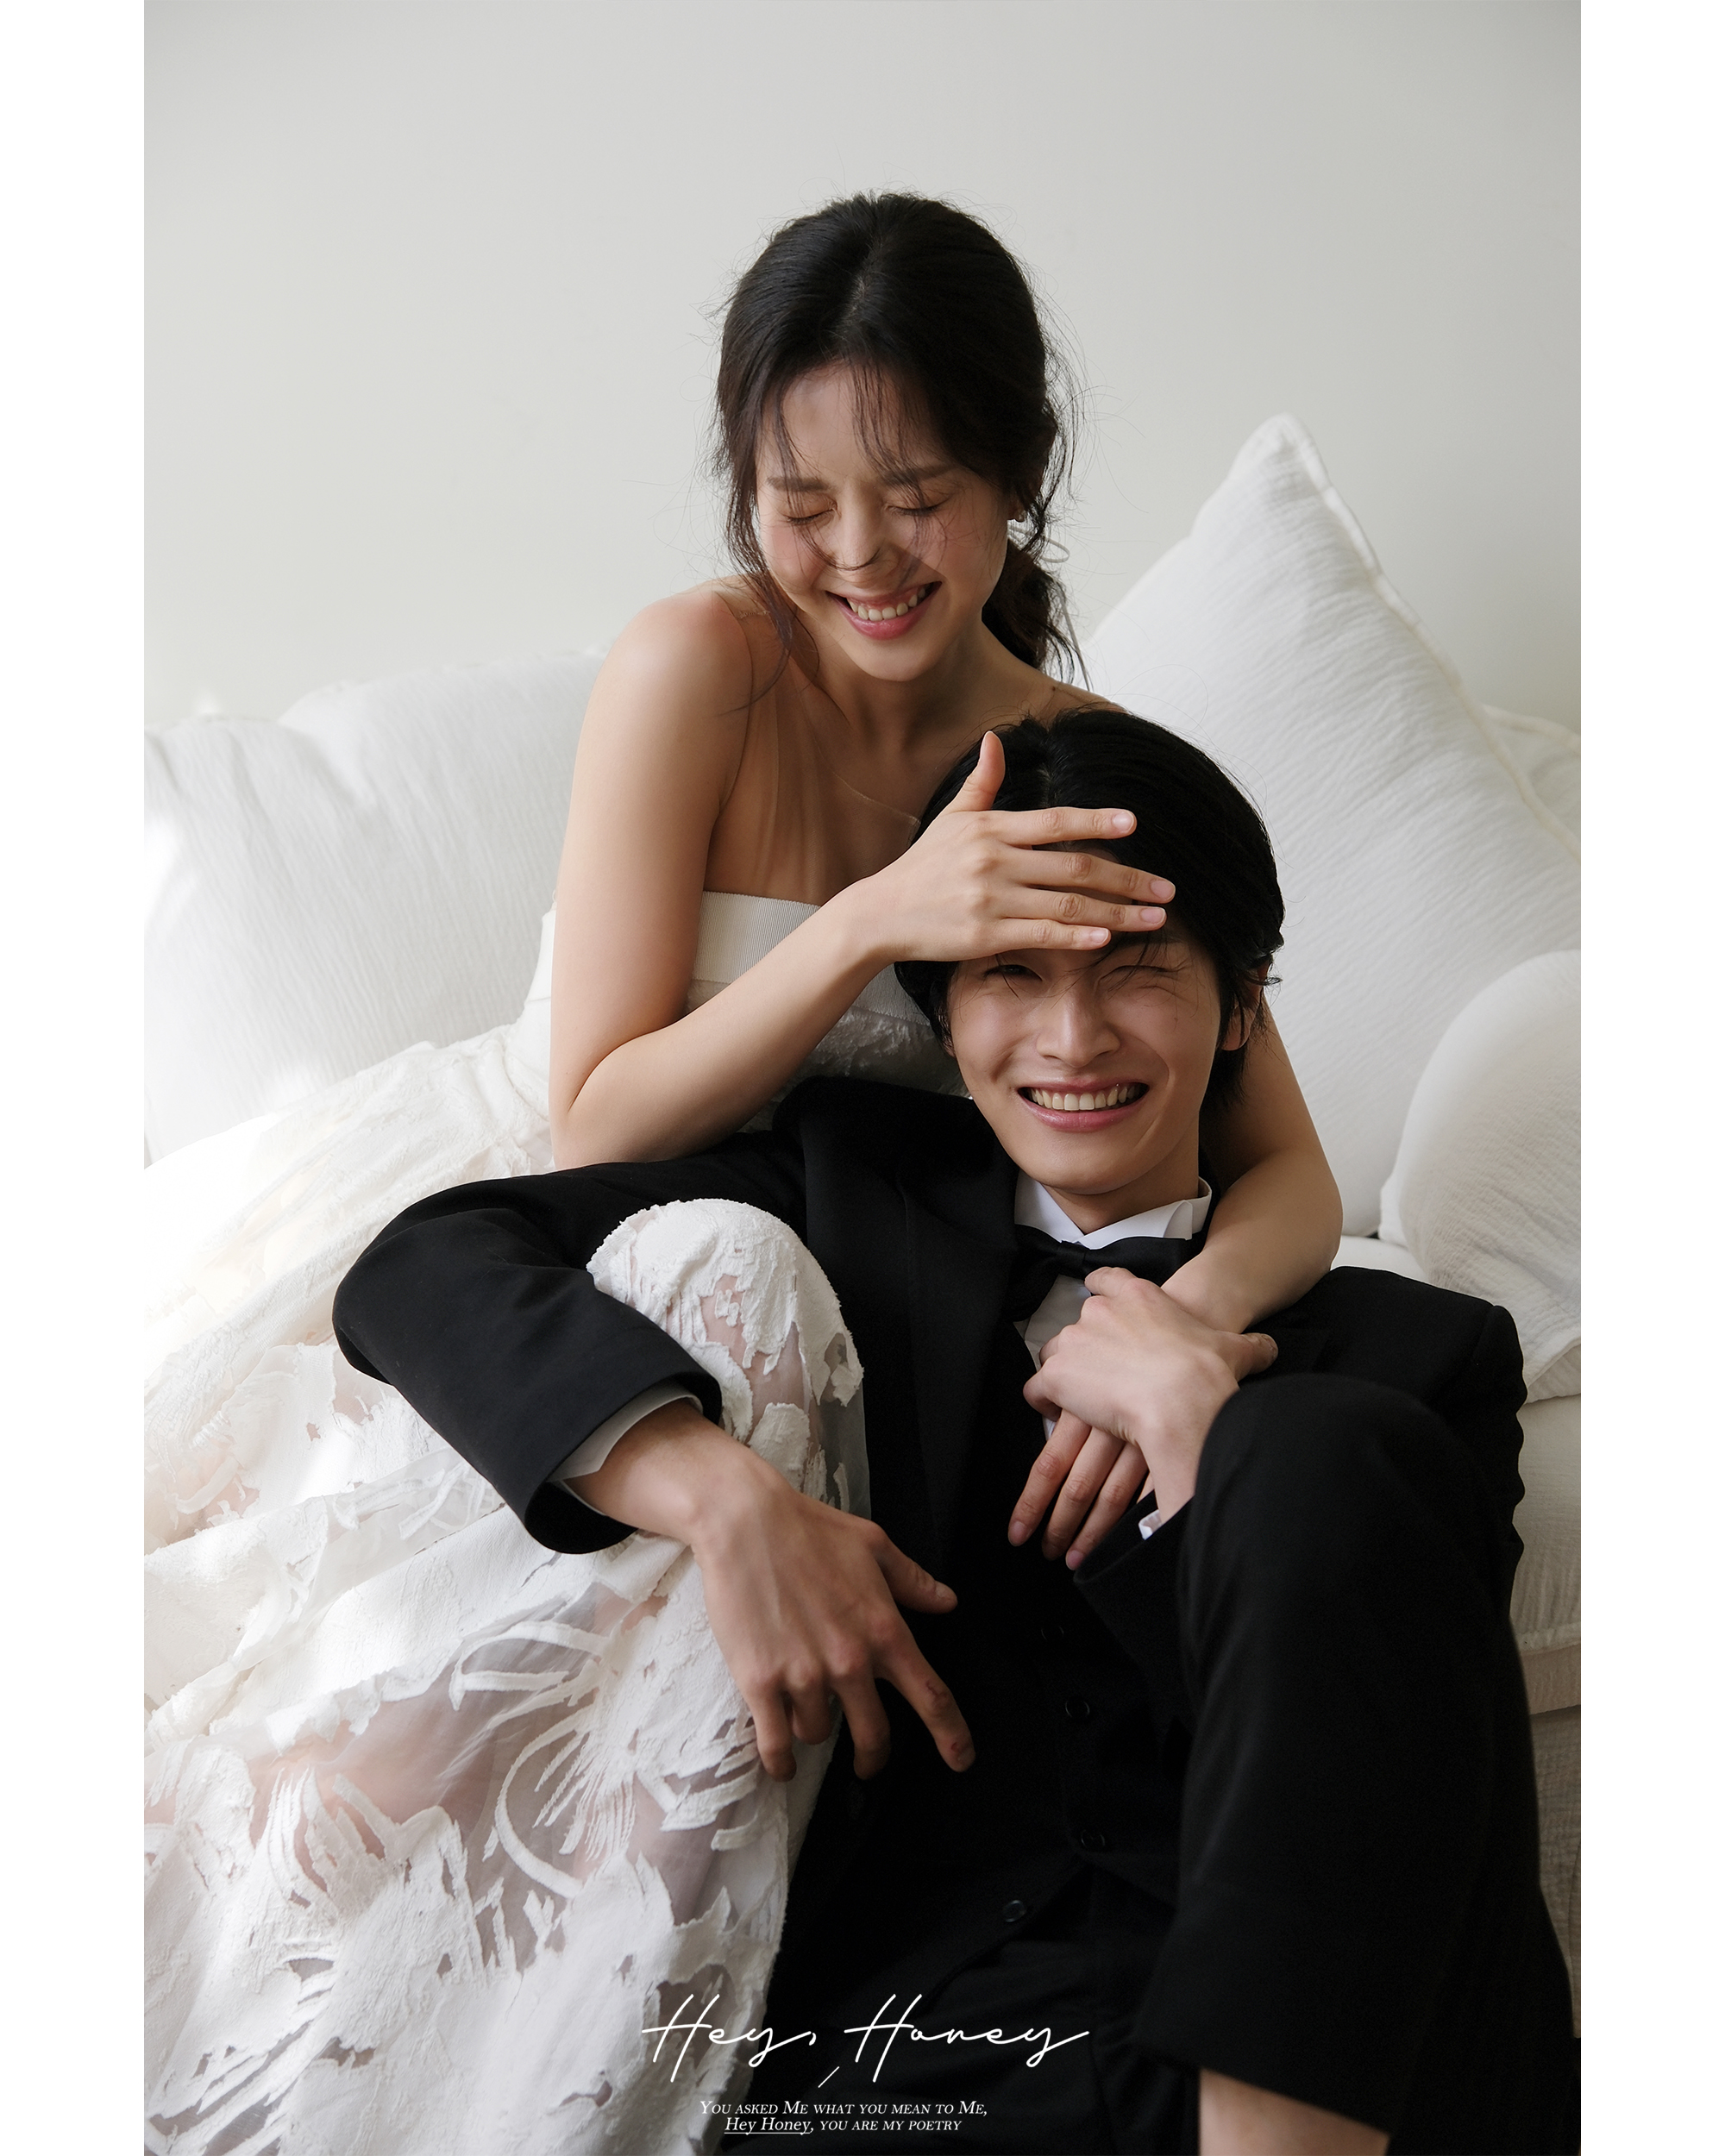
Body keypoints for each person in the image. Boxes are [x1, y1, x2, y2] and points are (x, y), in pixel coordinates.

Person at [334, 711, 1578, 2156]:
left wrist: (1202, 1439)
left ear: (1243, 1004)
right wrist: (727, 1499)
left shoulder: (1422, 1355)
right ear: (943, 1015)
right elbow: (424, 1267)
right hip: (917, 2067)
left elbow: (1396, 1770)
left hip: (1358, 2068)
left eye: (1137, 969)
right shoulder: (848, 1201)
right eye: (1012, 976)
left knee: (1324, 1448)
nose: (1073, 1039)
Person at [547, 190, 1341, 1342]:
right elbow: (589, 1133)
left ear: (1020, 474)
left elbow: (1290, 1174)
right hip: (640, 1255)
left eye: (915, 499)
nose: (860, 553)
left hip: (903, 1318)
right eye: (803, 506)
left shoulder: (1072, 759)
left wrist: (1177, 1322)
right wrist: (873, 921)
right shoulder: (692, 671)